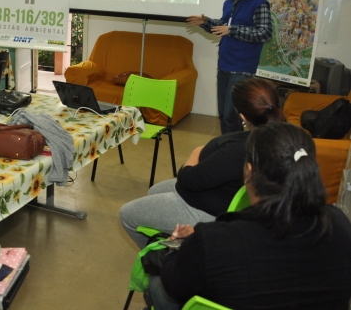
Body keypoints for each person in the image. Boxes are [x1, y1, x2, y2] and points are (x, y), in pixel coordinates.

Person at [147, 122, 351, 310]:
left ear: (249, 172)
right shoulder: (340, 224)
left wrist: (177, 249)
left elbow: (175, 284)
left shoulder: (212, 241)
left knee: (156, 285)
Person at [120, 77, 285, 249]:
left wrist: (196, 153)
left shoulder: (239, 150)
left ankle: (159, 262)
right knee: (153, 191)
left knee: (126, 214)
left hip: (203, 210)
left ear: (242, 116)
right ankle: (176, 247)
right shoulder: (274, 136)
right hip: (217, 196)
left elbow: (188, 179)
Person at [187, 0, 272, 134]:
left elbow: (265, 33)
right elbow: (222, 26)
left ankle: (235, 153)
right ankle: (228, 150)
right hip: (224, 64)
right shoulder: (229, 2)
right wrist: (205, 21)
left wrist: (232, 30)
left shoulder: (259, 3)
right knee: (223, 116)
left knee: (231, 116)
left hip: (242, 68)